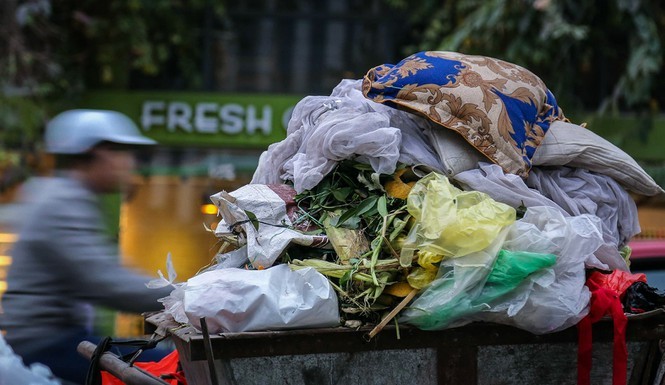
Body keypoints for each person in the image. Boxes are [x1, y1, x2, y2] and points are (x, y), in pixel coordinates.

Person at [0, 109, 174, 384]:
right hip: (49, 345)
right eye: (125, 153)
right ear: (102, 153)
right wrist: (186, 296)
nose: (131, 163)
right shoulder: (62, 202)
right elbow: (104, 282)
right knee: (169, 366)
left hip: (59, 339)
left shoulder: (66, 196)